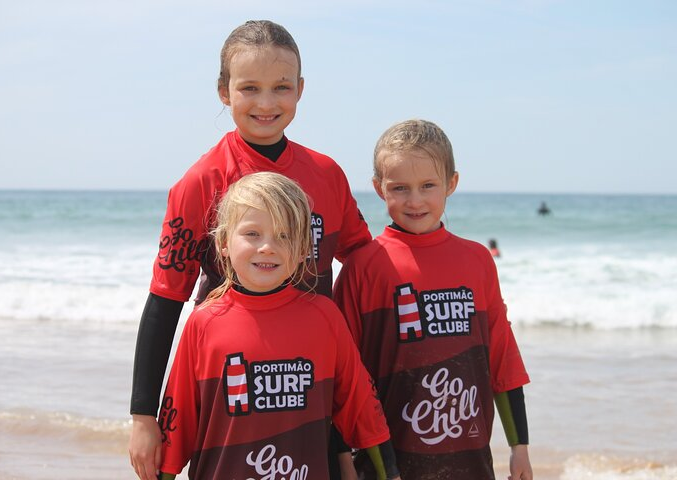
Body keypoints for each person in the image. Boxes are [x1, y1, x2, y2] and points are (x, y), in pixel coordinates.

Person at [129, 20, 371, 480]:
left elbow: (366, 261)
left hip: (311, 386)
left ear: (300, 90)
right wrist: (143, 415)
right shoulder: (201, 182)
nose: (266, 102)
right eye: (250, 88)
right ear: (224, 91)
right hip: (231, 399)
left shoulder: (327, 175)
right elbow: (165, 300)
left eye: (281, 87)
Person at [155, 172, 400, 479]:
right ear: (223, 243)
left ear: (302, 250)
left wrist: (389, 473)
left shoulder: (324, 318)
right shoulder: (205, 323)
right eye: (252, 234)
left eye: (284, 236)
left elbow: (362, 409)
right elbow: (178, 426)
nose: (268, 247)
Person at [333, 120, 533, 479]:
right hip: (388, 465)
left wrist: (520, 448)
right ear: (379, 189)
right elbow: (343, 376)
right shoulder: (363, 267)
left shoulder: (477, 260)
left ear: (451, 183)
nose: (415, 200)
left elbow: (502, 357)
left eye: (428, 186)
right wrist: (343, 460)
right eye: (400, 188)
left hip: (471, 463)